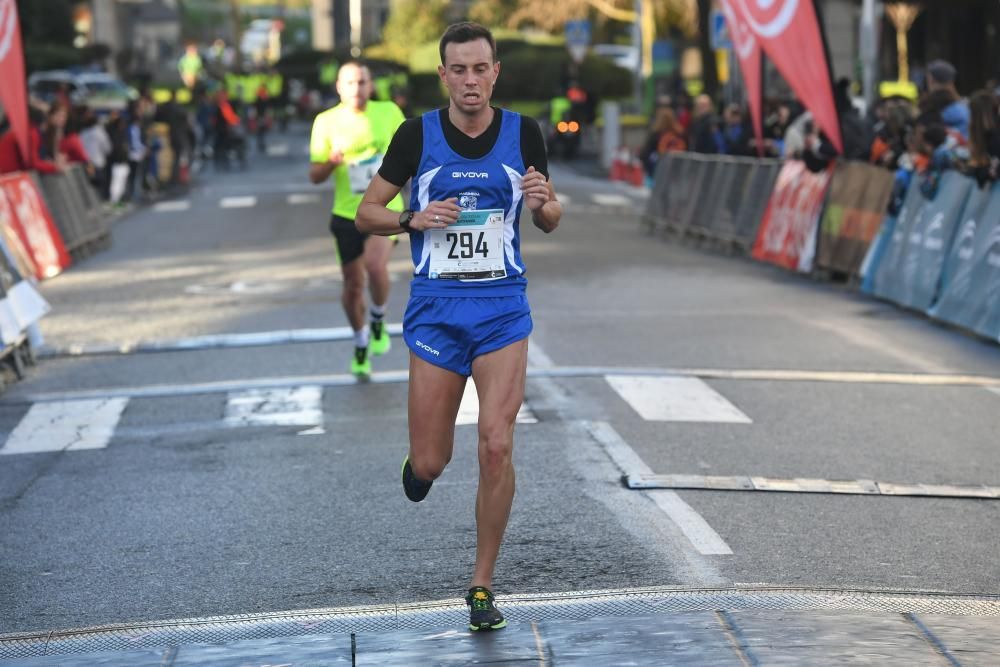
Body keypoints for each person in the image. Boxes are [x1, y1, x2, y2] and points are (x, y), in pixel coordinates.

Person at [355, 22, 562, 632]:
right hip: (437, 314)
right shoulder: (415, 136)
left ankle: (481, 585)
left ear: (496, 72)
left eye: (480, 69)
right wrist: (412, 219)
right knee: (432, 462)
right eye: (459, 70)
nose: (470, 81)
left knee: (497, 443)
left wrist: (545, 199)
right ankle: (417, 470)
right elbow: (368, 212)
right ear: (443, 75)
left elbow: (549, 215)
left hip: (502, 310)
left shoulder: (524, 133)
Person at [309, 62, 406, 376]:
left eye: (362, 82)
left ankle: (378, 317)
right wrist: (332, 161)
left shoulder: (389, 112)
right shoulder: (326, 122)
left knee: (375, 266)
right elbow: (314, 175)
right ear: (339, 86)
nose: (356, 88)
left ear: (371, 85)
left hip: (384, 208)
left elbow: (413, 153)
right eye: (350, 83)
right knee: (353, 285)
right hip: (346, 214)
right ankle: (360, 339)